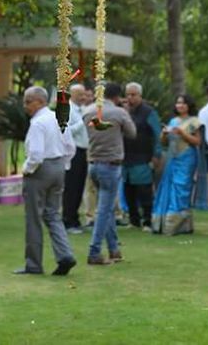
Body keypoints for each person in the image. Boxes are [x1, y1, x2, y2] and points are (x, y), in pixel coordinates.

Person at [15, 86, 76, 275]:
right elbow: (70, 147)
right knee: (52, 214)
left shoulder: (38, 123)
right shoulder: (58, 118)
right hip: (58, 168)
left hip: (40, 171)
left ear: (40, 101)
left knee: (33, 217)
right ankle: (65, 254)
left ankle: (33, 264)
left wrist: (26, 170)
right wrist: (63, 165)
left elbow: (36, 154)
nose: (25, 106)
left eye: (28, 101)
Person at [85, 82, 137, 265]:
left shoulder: (88, 110)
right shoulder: (119, 113)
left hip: (93, 164)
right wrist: (124, 113)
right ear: (117, 97)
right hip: (111, 165)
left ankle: (114, 249)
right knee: (104, 210)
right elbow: (132, 133)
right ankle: (94, 251)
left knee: (105, 208)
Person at [152, 94, 208, 235]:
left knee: (181, 187)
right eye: (178, 103)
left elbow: (197, 142)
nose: (180, 105)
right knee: (169, 187)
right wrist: (164, 134)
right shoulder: (173, 121)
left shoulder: (195, 122)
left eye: (183, 103)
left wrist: (182, 133)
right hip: (173, 158)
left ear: (189, 105)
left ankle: (173, 224)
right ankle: (171, 224)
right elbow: (164, 143)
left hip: (187, 158)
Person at [123, 82, 163, 232]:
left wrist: (157, 154)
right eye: (128, 94)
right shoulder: (125, 112)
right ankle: (134, 221)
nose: (130, 98)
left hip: (143, 157)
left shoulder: (149, 112)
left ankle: (147, 221)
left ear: (140, 95)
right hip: (126, 157)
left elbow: (157, 134)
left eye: (133, 95)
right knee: (128, 190)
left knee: (144, 190)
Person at [63, 83, 90, 234]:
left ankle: (75, 219)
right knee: (71, 187)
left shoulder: (83, 110)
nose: (83, 97)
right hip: (73, 152)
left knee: (80, 186)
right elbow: (65, 131)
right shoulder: (67, 110)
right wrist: (82, 122)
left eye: (84, 94)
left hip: (84, 152)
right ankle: (68, 220)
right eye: (80, 94)